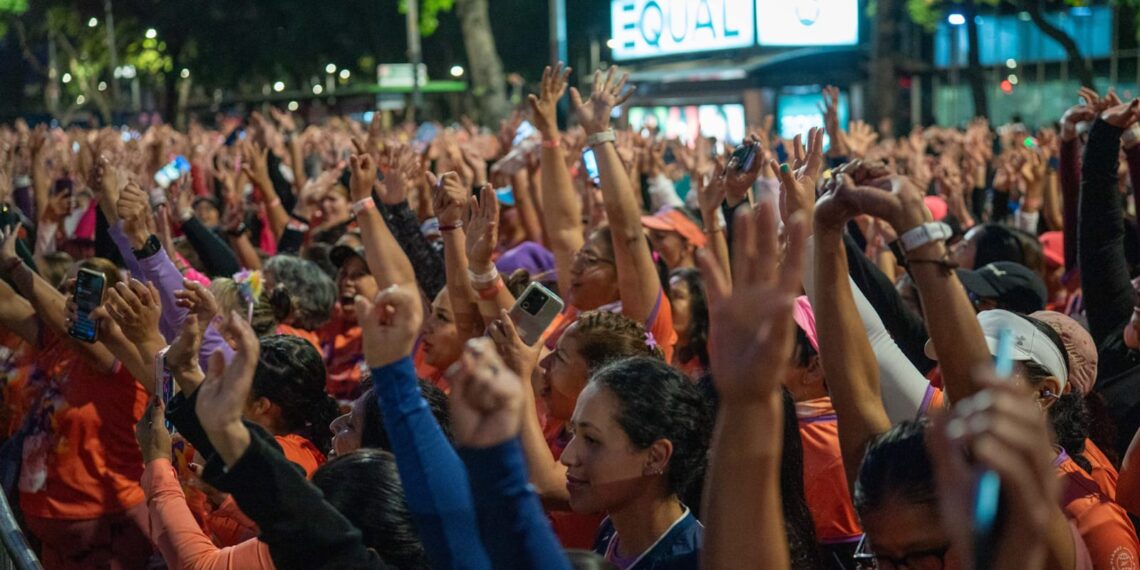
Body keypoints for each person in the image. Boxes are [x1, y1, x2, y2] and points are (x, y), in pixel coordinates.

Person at [666, 268, 710, 379]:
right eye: (667, 296)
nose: (668, 303)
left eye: (677, 296)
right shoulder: (657, 351)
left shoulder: (712, 359)